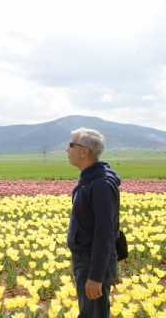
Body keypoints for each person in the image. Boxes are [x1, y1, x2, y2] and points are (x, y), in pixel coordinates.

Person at [66, 128, 120, 318]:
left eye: (71, 145)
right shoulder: (89, 179)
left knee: (94, 315)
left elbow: (105, 232)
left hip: (92, 261)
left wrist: (95, 276)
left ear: (84, 151)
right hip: (86, 259)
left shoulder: (100, 185)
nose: (67, 149)